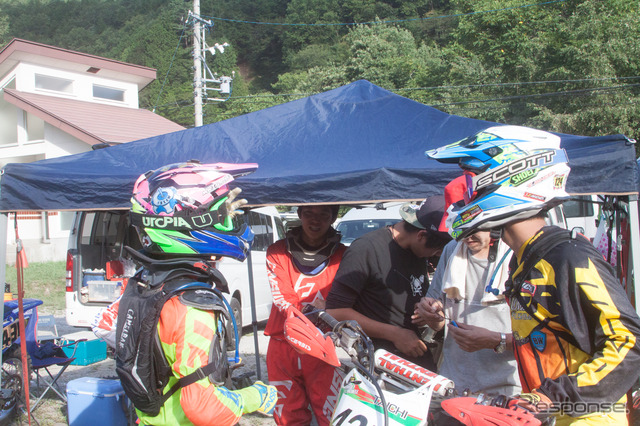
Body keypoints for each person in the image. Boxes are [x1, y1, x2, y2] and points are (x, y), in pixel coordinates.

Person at [427, 125, 640, 425]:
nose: (467, 197)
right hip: (546, 415)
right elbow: (547, 341)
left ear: (512, 176)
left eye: (477, 185)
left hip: (588, 418)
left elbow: (630, 343)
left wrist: (549, 397)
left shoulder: (568, 256)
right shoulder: (523, 260)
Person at [116, 161, 277, 426]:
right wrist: (256, 396)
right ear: (186, 222)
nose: (230, 221)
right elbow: (202, 407)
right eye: (220, 215)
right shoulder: (192, 306)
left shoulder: (146, 284)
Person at [326, 196, 451, 370]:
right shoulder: (366, 249)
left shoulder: (416, 252)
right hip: (376, 363)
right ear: (421, 235)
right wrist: (395, 334)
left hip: (413, 357)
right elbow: (335, 311)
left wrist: (426, 313)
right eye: (436, 252)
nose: (435, 257)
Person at [413, 232, 520, 425]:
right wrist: (431, 312)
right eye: (460, 230)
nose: (466, 237)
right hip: (454, 390)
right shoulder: (452, 250)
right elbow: (439, 319)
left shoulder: (518, 254)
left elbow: (547, 339)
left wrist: (498, 341)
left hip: (507, 394)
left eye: (474, 229)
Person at [264, 204, 346, 425]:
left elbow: (350, 298)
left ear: (333, 217)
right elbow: (282, 296)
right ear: (300, 215)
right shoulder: (277, 251)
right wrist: (319, 309)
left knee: (331, 414)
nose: (315, 220)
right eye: (309, 213)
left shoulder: (344, 255)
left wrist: (328, 308)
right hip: (283, 343)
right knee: (287, 416)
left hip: (323, 344)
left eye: (323, 214)